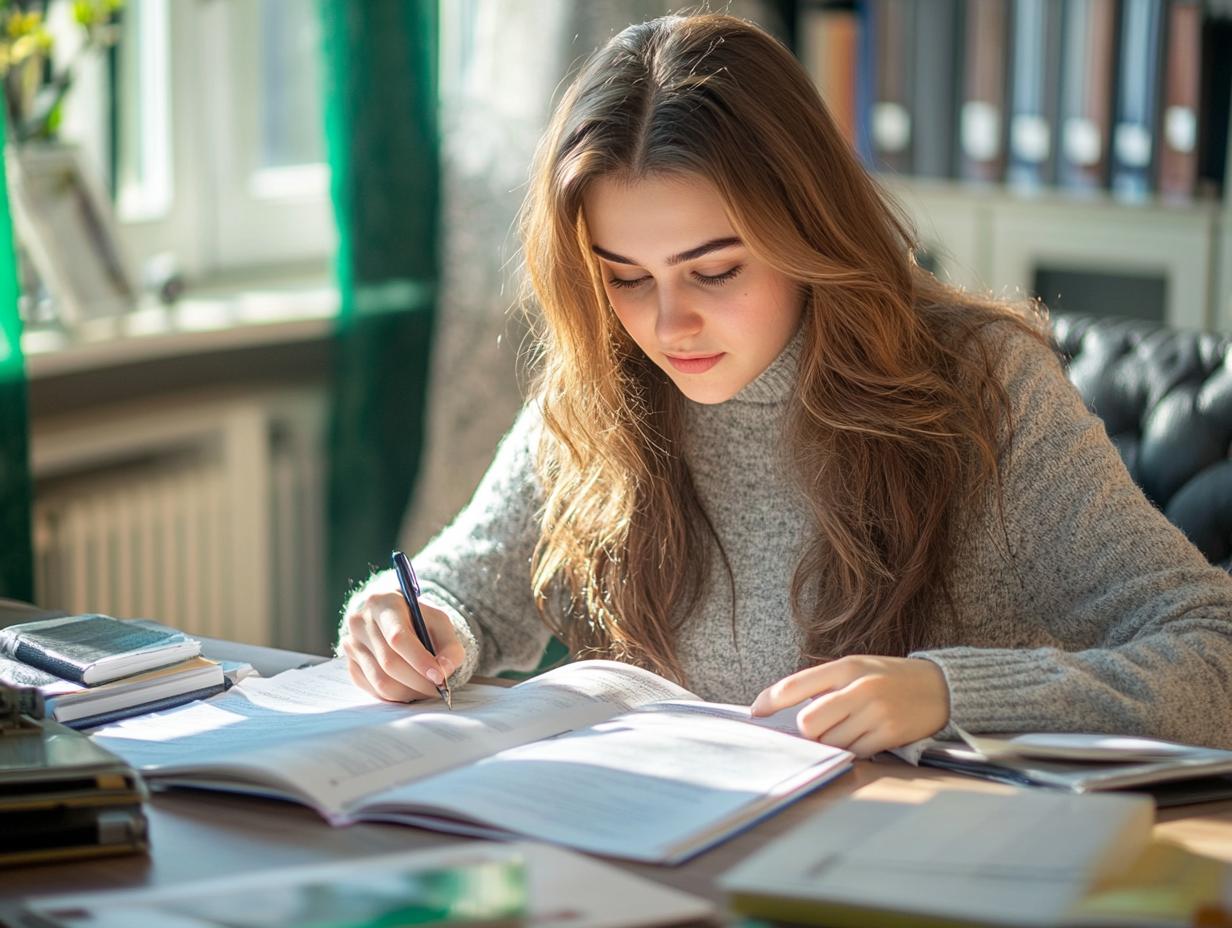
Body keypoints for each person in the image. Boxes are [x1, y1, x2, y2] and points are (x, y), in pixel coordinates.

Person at [338, 12, 1232, 757]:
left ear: (811, 233)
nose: (667, 325)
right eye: (625, 275)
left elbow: (1215, 653)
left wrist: (946, 691)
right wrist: (407, 625)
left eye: (716, 271)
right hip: (676, 856)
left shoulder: (981, 388)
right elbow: (460, 588)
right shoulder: (604, 378)